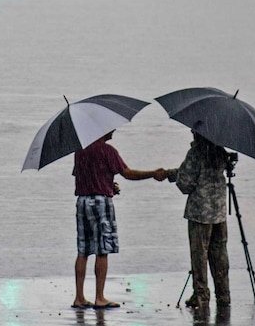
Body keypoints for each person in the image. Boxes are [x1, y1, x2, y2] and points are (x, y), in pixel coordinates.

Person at [71, 130, 164, 309]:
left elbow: (82, 176)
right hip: (101, 203)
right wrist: (153, 173)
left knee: (82, 250)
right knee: (102, 249)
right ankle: (99, 297)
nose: (114, 130)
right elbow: (128, 173)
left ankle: (79, 297)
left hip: (82, 202)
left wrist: (107, 183)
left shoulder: (80, 150)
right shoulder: (107, 151)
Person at [161, 131, 231, 310]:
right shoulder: (220, 151)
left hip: (200, 213)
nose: (191, 133)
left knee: (199, 254)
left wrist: (172, 175)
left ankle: (201, 295)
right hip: (220, 211)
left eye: (193, 131)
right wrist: (170, 173)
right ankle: (223, 294)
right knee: (219, 253)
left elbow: (185, 184)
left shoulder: (196, 153)